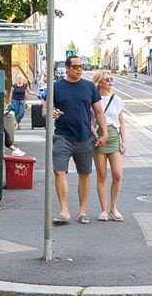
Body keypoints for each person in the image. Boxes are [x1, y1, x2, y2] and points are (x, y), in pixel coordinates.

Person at [50, 54, 105, 224]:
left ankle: (82, 211)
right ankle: (64, 211)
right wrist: (51, 113)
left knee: (85, 174)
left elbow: (98, 112)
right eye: (75, 67)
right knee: (59, 172)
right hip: (62, 135)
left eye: (81, 66)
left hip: (84, 137)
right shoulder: (56, 87)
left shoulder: (89, 87)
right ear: (67, 68)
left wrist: (105, 132)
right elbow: (45, 110)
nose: (79, 69)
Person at [92, 70, 125, 221]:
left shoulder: (116, 99)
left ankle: (113, 207)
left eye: (111, 79)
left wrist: (124, 141)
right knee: (102, 175)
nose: (110, 81)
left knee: (117, 174)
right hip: (98, 137)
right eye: (107, 79)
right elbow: (90, 121)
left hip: (113, 136)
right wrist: (95, 136)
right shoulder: (93, 99)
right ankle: (104, 209)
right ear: (100, 82)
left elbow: (121, 122)